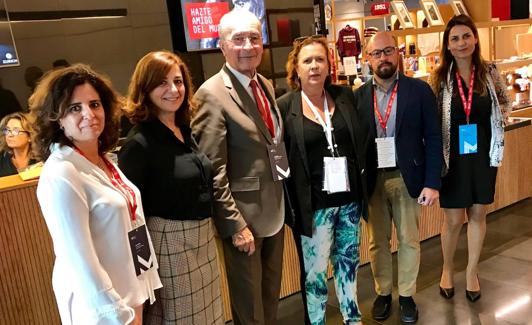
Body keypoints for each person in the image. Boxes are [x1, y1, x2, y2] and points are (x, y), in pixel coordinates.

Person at [29, 64, 162, 325]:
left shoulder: (102, 160)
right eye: (74, 108)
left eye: (94, 104)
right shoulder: (62, 172)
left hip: (129, 292)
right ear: (57, 118)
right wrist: (117, 314)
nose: (89, 114)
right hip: (102, 309)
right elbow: (78, 259)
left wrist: (140, 292)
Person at [191, 10, 286, 325]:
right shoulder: (211, 94)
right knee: (249, 309)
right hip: (243, 221)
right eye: (239, 39)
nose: (248, 46)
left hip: (274, 210)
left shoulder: (265, 85)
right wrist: (234, 225)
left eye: (254, 38)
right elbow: (212, 170)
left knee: (270, 298)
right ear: (222, 46)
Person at [118, 50, 224, 325]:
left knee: (211, 317)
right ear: (145, 88)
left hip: (202, 238)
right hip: (169, 243)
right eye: (162, 83)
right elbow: (131, 215)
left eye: (178, 81)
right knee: (183, 320)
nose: (173, 90)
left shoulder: (185, 129)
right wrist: (141, 272)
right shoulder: (139, 143)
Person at [277, 36, 368, 325]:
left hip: (350, 202)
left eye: (319, 59)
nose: (314, 66)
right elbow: (279, 160)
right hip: (315, 208)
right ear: (297, 69)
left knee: (348, 265)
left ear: (329, 65)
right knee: (315, 276)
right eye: (307, 61)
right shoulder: (284, 108)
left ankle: (352, 319)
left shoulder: (344, 97)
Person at [354, 32, 442, 323]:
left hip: (408, 177)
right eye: (376, 53)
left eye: (388, 51)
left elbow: (433, 136)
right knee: (377, 242)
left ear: (398, 53)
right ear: (368, 59)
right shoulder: (357, 97)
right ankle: (383, 292)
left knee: (409, 240)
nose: (383, 58)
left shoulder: (419, 91)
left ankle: (406, 295)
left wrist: (432, 181)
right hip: (373, 181)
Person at [430, 14, 510, 302]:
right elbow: (433, 120)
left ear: (475, 39)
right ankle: (448, 269)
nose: (461, 43)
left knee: (478, 214)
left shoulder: (489, 72)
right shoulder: (439, 79)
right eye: (455, 38)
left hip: (482, 155)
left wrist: (499, 126)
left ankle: (472, 271)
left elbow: (504, 103)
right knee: (453, 220)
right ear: (447, 45)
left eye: (466, 36)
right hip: (452, 159)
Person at [0, 112, 36, 177]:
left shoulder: (41, 159)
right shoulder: (2, 159)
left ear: (30, 136)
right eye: (7, 130)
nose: (9, 135)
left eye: (15, 130)